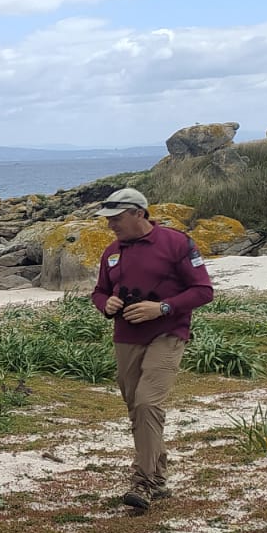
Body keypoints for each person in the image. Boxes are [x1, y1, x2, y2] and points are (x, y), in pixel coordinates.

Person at [90, 188, 214, 512]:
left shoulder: (177, 243)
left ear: (139, 214)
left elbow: (203, 291)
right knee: (137, 407)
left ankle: (143, 482)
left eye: (116, 219)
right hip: (126, 337)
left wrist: (161, 308)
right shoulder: (112, 253)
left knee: (147, 403)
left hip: (168, 333)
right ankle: (158, 476)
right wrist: (107, 304)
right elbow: (99, 292)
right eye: (108, 220)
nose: (111, 226)